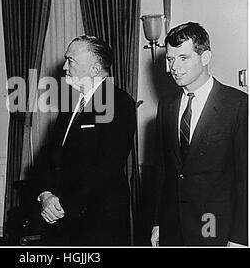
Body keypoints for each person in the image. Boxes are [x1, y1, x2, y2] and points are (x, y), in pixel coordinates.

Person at [151, 22, 248, 246]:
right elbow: (162, 173)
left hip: (213, 225)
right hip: (172, 227)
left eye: (184, 58)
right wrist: (157, 223)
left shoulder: (238, 105)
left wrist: (240, 238)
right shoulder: (166, 105)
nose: (174, 67)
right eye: (170, 59)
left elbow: (245, 179)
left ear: (205, 58)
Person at [36, 35, 136, 245]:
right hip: (61, 218)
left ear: (94, 68)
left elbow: (106, 168)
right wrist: (46, 194)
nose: (64, 66)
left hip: (97, 221)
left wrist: (63, 205)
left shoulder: (119, 103)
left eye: (71, 61)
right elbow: (50, 157)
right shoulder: (70, 102)